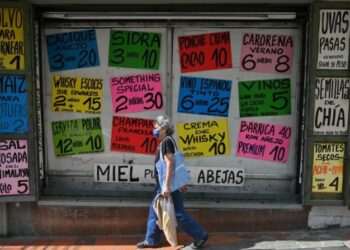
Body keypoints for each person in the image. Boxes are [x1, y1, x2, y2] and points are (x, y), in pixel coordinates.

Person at [137, 115, 208, 249]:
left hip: (165, 186)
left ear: (164, 128)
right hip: (163, 185)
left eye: (156, 127)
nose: (154, 130)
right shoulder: (165, 142)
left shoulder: (167, 142)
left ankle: (200, 235)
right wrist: (176, 184)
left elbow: (170, 164)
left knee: (178, 214)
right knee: (155, 211)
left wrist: (168, 186)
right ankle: (151, 240)